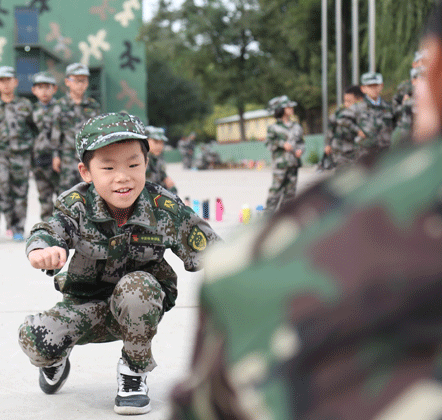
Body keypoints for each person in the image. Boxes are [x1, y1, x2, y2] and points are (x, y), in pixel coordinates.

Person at [169, 4, 442, 419]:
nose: (291, 114)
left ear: (434, 73)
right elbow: (318, 142)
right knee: (282, 195)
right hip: (328, 168)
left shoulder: (268, 263)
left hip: (359, 183)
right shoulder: (316, 131)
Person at [18, 112, 219, 415]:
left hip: (141, 305)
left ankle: (134, 373)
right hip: (87, 306)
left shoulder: (164, 207)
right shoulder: (77, 205)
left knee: (136, 288)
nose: (123, 177)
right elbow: (49, 230)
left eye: (133, 165)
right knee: (35, 339)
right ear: (86, 172)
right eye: (108, 167)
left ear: (146, 163)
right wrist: (42, 249)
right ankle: (56, 360)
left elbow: (212, 250)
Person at [0, 66, 37, 243]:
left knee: (20, 193)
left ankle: (17, 229)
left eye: (8, 80)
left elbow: (34, 130)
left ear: (15, 82)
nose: (5, 84)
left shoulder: (26, 106)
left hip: (21, 156)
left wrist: (30, 152)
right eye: (1, 81)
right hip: (0, 156)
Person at [54, 63, 101, 192]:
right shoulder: (60, 105)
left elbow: (98, 133)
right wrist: (55, 156)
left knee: (90, 192)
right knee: (67, 194)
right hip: (67, 158)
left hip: (88, 157)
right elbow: (56, 133)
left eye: (83, 80)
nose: (80, 84)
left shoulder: (93, 105)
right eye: (76, 80)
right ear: (67, 82)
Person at [264, 95, 304, 214]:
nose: (291, 108)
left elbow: (301, 142)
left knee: (290, 194)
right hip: (280, 165)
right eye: (288, 106)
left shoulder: (296, 126)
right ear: (281, 109)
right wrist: (282, 144)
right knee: (275, 192)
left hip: (293, 164)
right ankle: (267, 217)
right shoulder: (273, 128)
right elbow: (269, 144)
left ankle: (284, 218)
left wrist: (301, 150)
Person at [30, 71, 61, 221]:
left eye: (47, 87)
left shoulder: (61, 108)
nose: (44, 91)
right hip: (38, 160)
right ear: (34, 90)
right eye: (40, 87)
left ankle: (66, 229)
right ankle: (48, 229)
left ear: (54, 89)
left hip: (58, 161)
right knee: (44, 197)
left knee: (63, 197)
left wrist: (57, 155)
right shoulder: (30, 111)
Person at [324, 85, 364, 169]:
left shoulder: (366, 112)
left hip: (359, 152)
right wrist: (328, 144)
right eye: (345, 101)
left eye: (349, 101)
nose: (346, 104)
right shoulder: (340, 111)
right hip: (342, 152)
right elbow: (331, 126)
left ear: (360, 100)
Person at [356, 71, 394, 157]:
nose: (374, 89)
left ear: (381, 86)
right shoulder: (356, 108)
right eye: (370, 86)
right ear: (363, 89)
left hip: (385, 154)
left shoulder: (389, 107)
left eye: (376, 85)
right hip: (365, 154)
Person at [145, 126, 177, 193]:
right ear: (146, 141)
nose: (159, 146)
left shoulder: (157, 158)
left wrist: (166, 179)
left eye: (161, 142)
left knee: (173, 190)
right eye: (156, 142)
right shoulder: (141, 159)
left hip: (155, 189)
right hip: (144, 193)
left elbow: (162, 175)